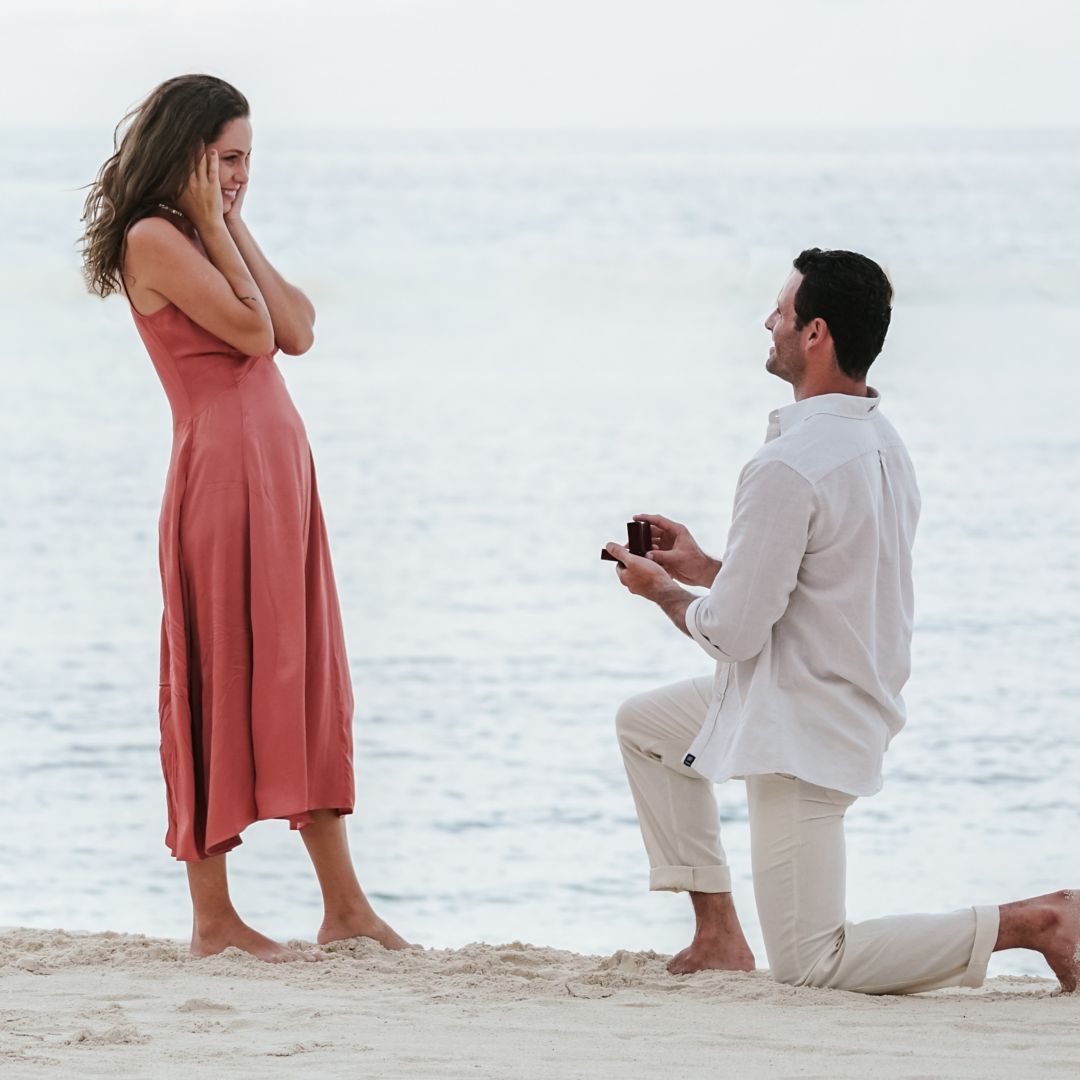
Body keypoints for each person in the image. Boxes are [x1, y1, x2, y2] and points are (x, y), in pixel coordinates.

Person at [606, 248, 1078, 995]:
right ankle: (718, 934)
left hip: (802, 725)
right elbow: (817, 588)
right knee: (647, 726)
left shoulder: (788, 465)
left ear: (816, 333)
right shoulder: (880, 443)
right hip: (825, 691)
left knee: (812, 962)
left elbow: (733, 634)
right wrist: (703, 569)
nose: (769, 321)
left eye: (783, 312)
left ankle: (1029, 922)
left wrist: (663, 591)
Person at [79, 74, 408, 963]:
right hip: (223, 481)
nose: (238, 176)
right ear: (183, 153)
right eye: (226, 160)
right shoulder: (155, 238)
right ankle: (214, 919)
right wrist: (216, 224)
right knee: (219, 676)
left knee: (305, 676)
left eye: (248, 162)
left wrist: (230, 219)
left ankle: (344, 906)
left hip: (280, 477)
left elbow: (296, 329)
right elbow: (250, 333)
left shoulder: (206, 231)